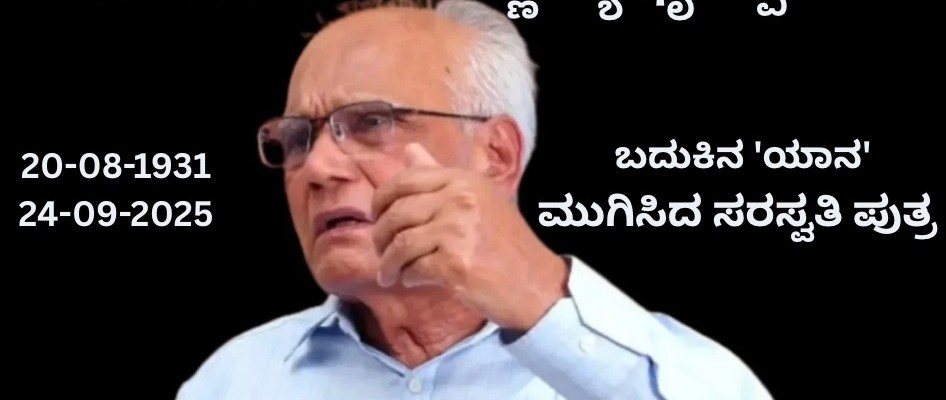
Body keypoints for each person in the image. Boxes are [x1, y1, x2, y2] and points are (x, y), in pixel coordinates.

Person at [177, 0, 773, 398]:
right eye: (296, 138)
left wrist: (540, 300)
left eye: (372, 122)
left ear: (497, 154)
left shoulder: (662, 373)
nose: (316, 168)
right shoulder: (234, 380)